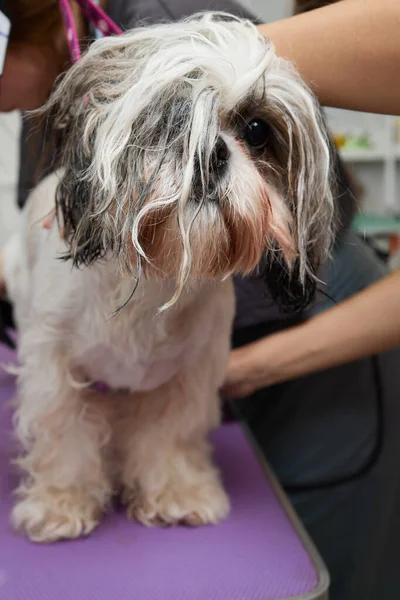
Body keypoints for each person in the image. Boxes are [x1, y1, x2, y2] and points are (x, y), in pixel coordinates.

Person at [1, 2, 400, 600]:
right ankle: (68, 485)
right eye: (169, 131)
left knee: (317, 554)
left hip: (319, 324)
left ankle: (167, 477)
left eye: (254, 136)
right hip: (108, 297)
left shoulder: (160, 17)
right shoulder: (68, 107)